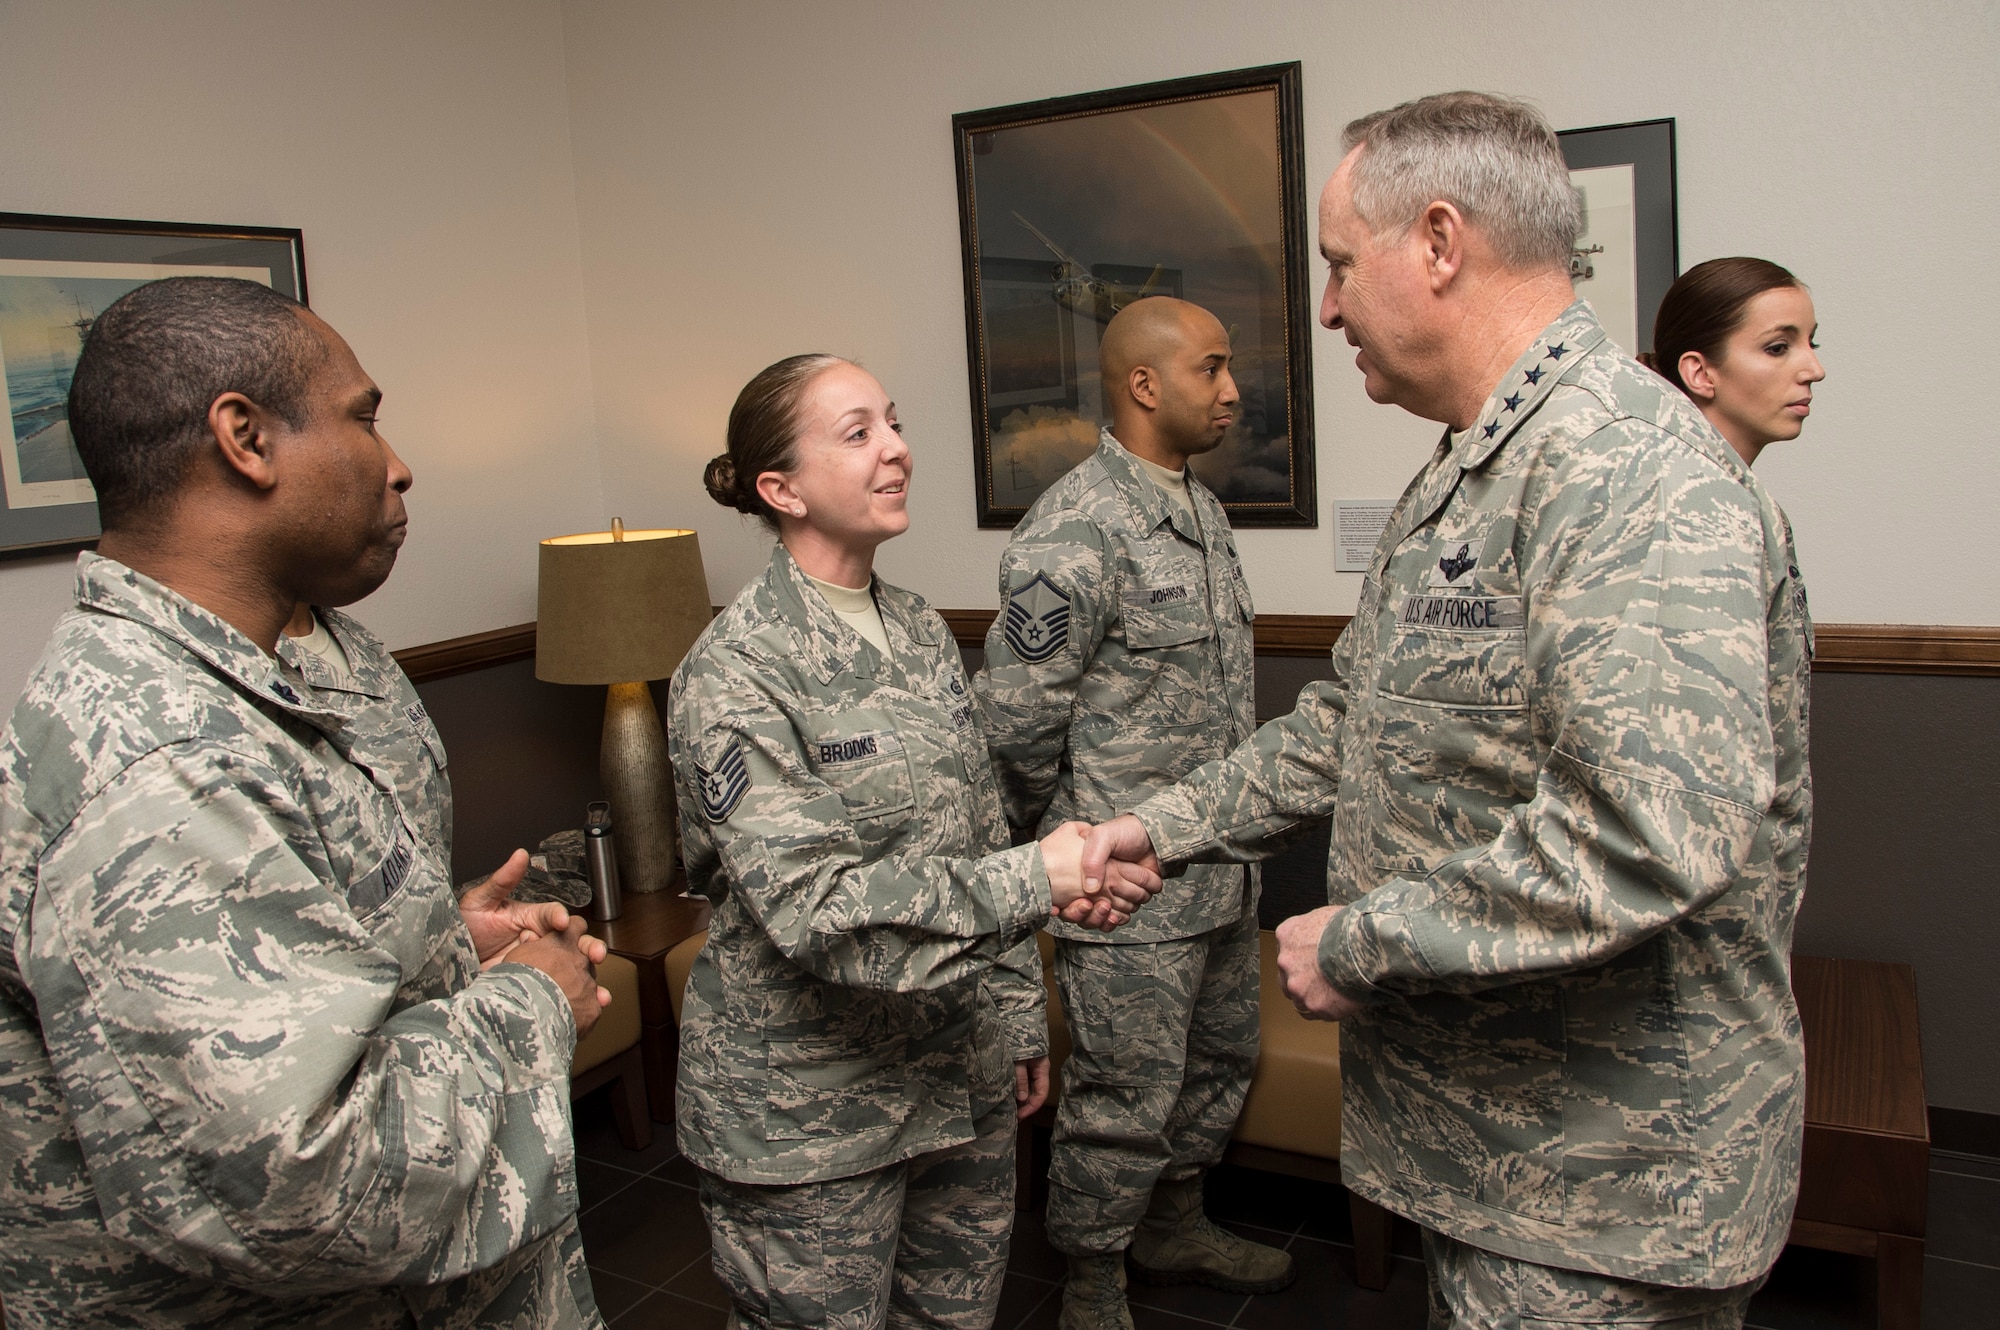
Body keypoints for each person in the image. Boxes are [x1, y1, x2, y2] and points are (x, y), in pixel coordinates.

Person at [1080, 93, 1813, 1328]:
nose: (1321, 309)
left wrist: (1360, 941)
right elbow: (1345, 723)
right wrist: (1158, 826)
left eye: (1333, 266)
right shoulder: (1475, 463)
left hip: (1604, 1190)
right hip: (1502, 1166)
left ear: (1435, 242)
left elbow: (1643, 830)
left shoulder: (1619, 468)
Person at [0, 276, 612, 1329]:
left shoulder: (278, 666)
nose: (397, 458)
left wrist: (432, 943)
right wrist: (537, 996)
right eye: (364, 415)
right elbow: (309, 1184)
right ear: (245, 438)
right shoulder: (159, 763)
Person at [669, 354, 1162, 1330]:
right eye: (856, 434)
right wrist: (1041, 875)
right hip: (809, 1114)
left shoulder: (919, 628)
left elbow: (978, 829)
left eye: (890, 423)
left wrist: (1019, 1014)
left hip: (953, 1068)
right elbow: (817, 909)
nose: (896, 448)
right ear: (781, 488)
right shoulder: (737, 672)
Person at [975, 297, 1288, 1330]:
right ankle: (1093, 1280)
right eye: (1211, 368)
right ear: (1144, 385)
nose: (1233, 389)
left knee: (1212, 1070)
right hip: (1124, 895)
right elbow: (1015, 736)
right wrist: (1057, 868)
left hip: (1216, 871)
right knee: (1119, 1100)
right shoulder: (1072, 530)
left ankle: (1174, 1226)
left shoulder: (1194, 508)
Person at [1640, 257, 1825, 466]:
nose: (1816, 371)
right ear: (1700, 374)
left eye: (1812, 343)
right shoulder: (1681, 492)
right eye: (1777, 348)